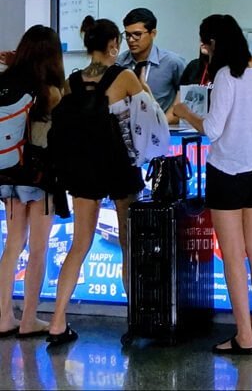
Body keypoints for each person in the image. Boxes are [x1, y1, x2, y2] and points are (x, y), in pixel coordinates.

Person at [172, 14, 252, 355]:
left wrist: (184, 112)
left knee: (234, 256)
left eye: (205, 45)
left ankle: (243, 334)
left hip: (226, 171)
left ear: (213, 44)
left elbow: (212, 130)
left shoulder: (226, 76)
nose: (204, 51)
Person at [46, 17, 150, 347]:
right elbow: (153, 112)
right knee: (128, 244)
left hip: (82, 170)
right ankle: (135, 322)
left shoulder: (72, 81)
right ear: (112, 45)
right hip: (119, 165)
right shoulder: (125, 76)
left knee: (79, 245)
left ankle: (58, 321)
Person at [0, 26, 65, 339]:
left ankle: (3, 318)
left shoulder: (5, 82)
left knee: (12, 245)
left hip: (7, 175)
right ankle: (28, 319)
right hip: (40, 180)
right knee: (38, 249)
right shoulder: (50, 90)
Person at [116, 7, 187, 112]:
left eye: (137, 35)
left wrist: (162, 124)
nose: (131, 40)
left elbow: (186, 98)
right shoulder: (119, 64)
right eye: (127, 35)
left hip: (164, 125)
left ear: (153, 33)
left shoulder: (173, 63)